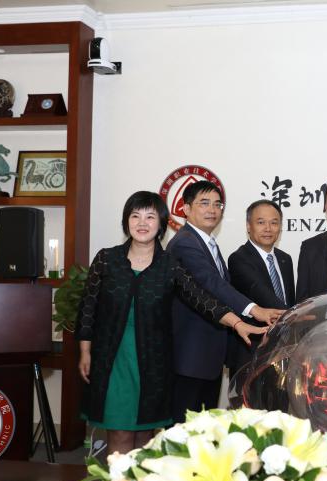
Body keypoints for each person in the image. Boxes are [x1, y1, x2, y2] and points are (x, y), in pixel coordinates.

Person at [76, 191, 265, 454]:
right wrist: (85, 350)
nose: (142, 223)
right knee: (119, 432)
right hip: (112, 359)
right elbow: (88, 307)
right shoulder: (106, 259)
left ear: (161, 224)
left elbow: (201, 299)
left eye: (150, 217)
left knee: (145, 434)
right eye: (135, 216)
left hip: (152, 361)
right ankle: (115, 479)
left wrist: (237, 323)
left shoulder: (169, 264)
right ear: (126, 221)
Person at [166, 181, 283, 423]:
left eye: (217, 204)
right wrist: (255, 310)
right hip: (190, 356)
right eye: (204, 203)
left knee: (204, 431)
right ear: (186, 209)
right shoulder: (185, 242)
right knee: (183, 431)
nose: (212, 209)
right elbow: (211, 283)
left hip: (208, 357)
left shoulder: (207, 242)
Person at [228, 199, 295, 373]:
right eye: (261, 222)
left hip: (283, 349)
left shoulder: (285, 259)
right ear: (248, 226)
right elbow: (262, 294)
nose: (268, 228)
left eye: (274, 222)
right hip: (251, 350)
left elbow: (289, 299)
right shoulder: (239, 259)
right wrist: (297, 316)